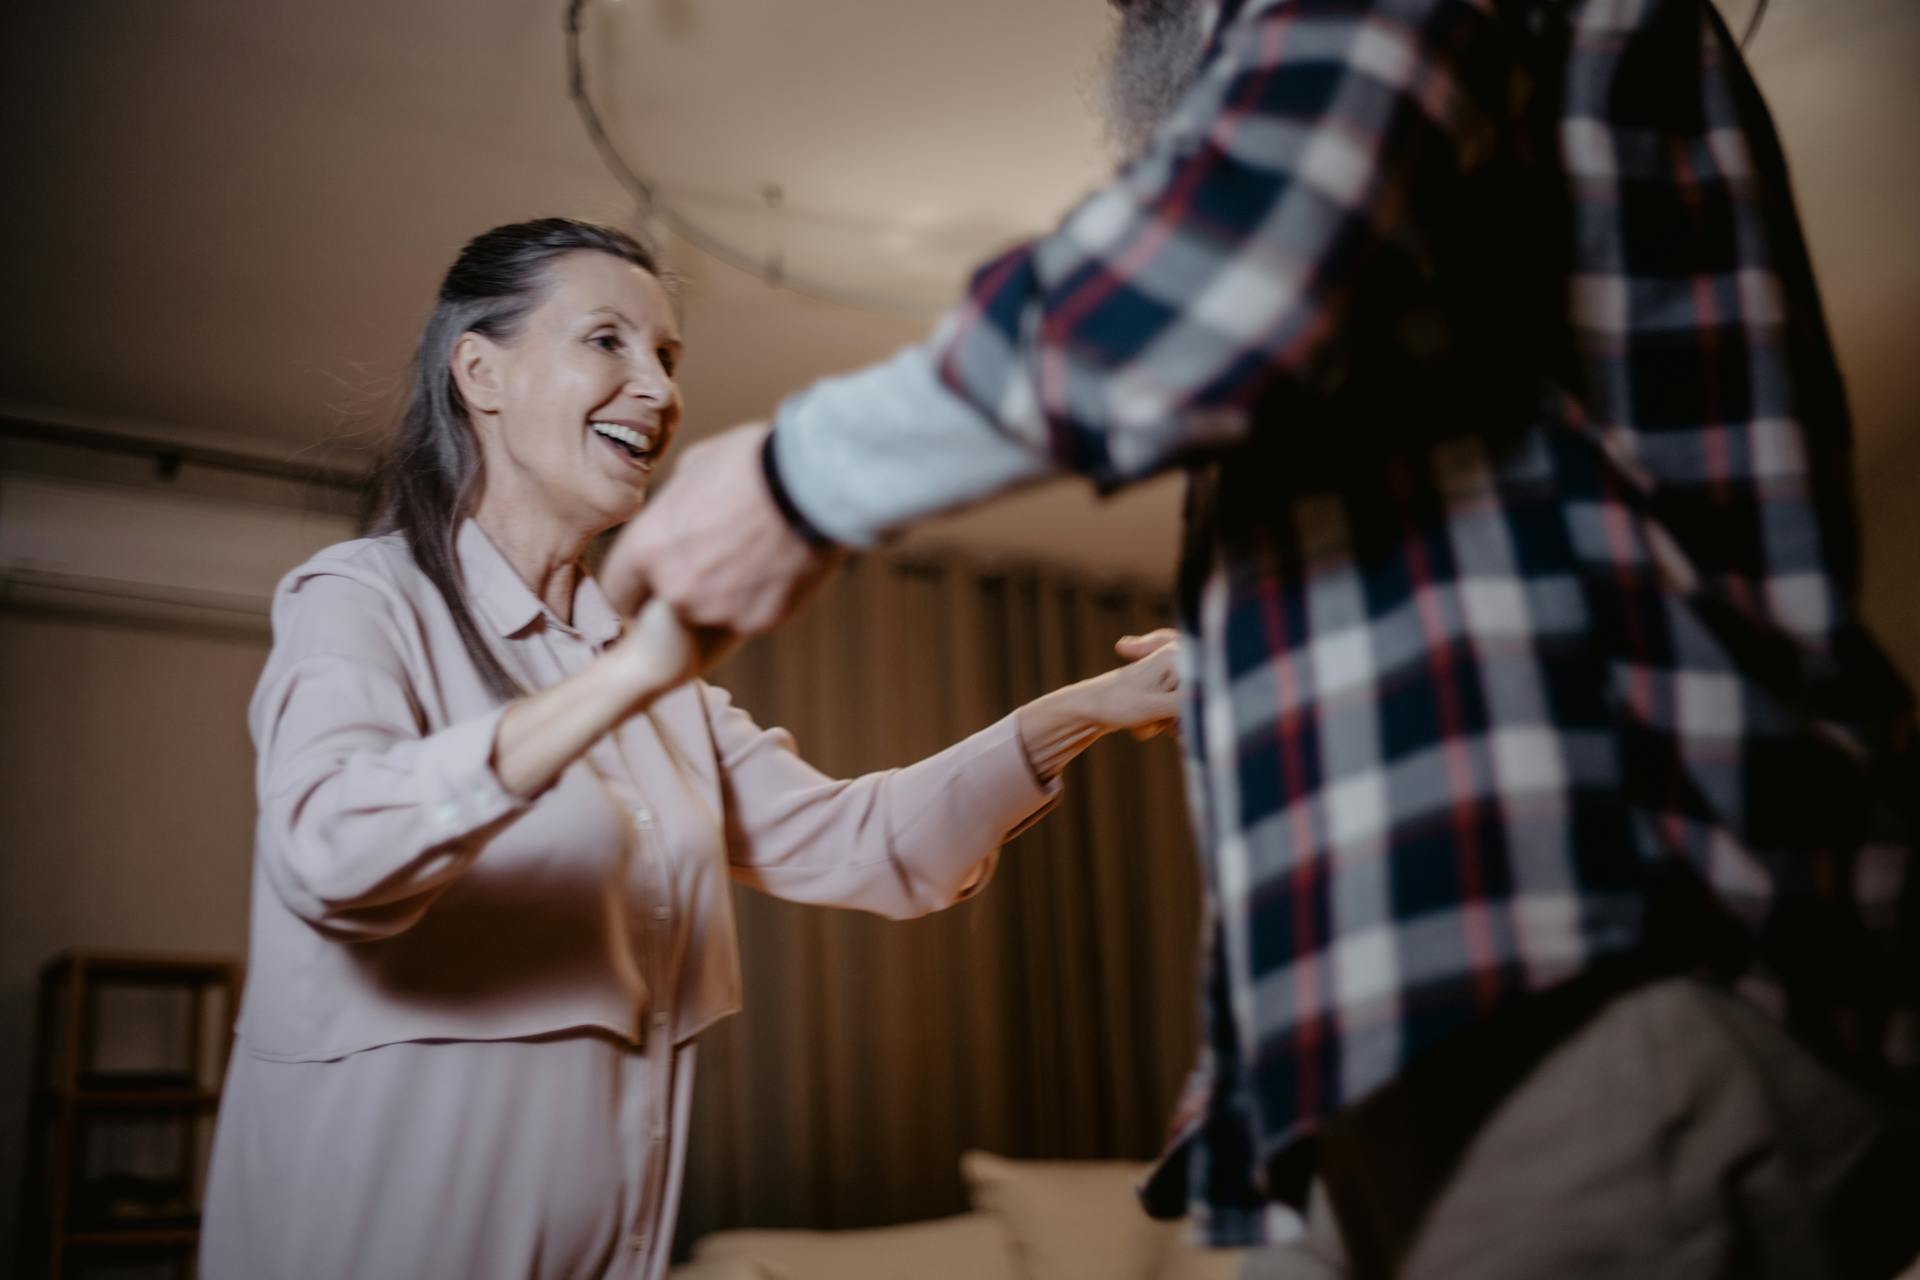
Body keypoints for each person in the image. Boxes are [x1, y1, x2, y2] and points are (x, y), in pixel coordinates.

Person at [600, 0, 1920, 1275]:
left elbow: (1250, 243)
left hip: (1621, 955)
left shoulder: (1328, 159)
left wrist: (798, 475)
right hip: (1382, 1044)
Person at [198, 217, 1182, 1280]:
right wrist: (630, 674)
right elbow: (329, 850)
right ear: (478, 370)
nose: (659, 392)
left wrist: (1090, 703)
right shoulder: (364, 599)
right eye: (608, 341)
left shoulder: (659, 685)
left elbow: (878, 845)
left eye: (666, 358)